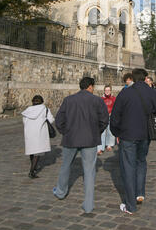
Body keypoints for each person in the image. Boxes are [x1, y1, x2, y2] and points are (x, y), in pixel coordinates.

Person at [110, 68, 156, 214]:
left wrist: (116, 132)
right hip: (145, 135)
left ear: (133, 78)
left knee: (128, 168)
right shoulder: (152, 93)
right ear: (145, 77)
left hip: (128, 135)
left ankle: (130, 205)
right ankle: (140, 193)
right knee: (141, 162)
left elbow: (115, 116)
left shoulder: (125, 93)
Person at [53, 77, 109, 214]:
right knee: (89, 172)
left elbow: (59, 120)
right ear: (90, 86)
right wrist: (96, 132)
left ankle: (61, 192)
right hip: (90, 139)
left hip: (71, 138)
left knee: (65, 166)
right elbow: (104, 120)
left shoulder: (69, 100)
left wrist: (65, 132)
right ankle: (88, 205)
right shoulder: (97, 101)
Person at [21, 95, 55, 179]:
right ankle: (32, 171)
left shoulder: (27, 110)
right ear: (42, 101)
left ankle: (34, 166)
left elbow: (24, 121)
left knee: (32, 151)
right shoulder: (45, 109)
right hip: (40, 133)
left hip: (29, 133)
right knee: (38, 152)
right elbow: (51, 120)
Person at [97, 85, 116, 155]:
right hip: (103, 117)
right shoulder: (101, 99)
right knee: (102, 132)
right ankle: (100, 148)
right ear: (104, 91)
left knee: (110, 131)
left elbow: (116, 107)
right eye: (106, 90)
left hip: (111, 116)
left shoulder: (114, 98)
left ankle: (109, 144)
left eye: (108, 90)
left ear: (111, 91)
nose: (107, 91)